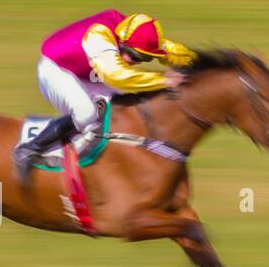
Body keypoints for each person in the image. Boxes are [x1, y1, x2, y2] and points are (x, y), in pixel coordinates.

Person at [12, 10, 196, 181]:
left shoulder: (140, 37)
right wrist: (164, 80)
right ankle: (30, 149)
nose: (130, 60)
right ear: (121, 40)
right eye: (130, 54)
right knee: (86, 114)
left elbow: (177, 53)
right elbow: (116, 76)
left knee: (129, 103)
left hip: (92, 73)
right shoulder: (99, 36)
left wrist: (201, 68)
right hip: (57, 70)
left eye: (142, 58)